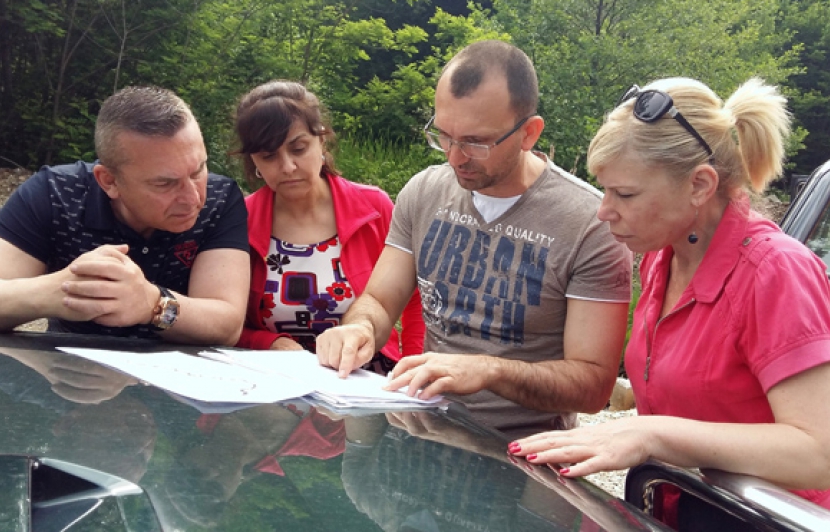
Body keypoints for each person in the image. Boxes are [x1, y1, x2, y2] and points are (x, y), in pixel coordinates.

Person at [509, 77, 830, 513]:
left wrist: (651, 434)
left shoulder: (776, 272)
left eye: (625, 194)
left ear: (699, 185)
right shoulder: (662, 257)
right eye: (604, 190)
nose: (604, 211)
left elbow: (819, 453)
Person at [317, 40, 633, 438]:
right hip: (421, 430)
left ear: (529, 133)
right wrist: (360, 329)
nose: (454, 157)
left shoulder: (591, 223)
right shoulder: (424, 192)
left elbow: (592, 386)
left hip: (519, 452)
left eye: (475, 142)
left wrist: (489, 370)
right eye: (444, 136)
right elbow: (380, 301)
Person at [0, 86, 250, 345]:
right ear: (108, 181)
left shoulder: (220, 198)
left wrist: (152, 304)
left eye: (198, 171)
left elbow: (227, 327)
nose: (193, 198)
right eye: (164, 183)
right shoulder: (55, 194)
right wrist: (58, 293)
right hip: (66, 367)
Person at [231, 80, 424, 373]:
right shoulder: (240, 220)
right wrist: (268, 343)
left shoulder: (373, 208)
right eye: (269, 156)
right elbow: (225, 320)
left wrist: (412, 370)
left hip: (364, 379)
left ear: (321, 140)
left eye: (298, 149)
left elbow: (415, 300)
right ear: (253, 161)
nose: (287, 166)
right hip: (275, 380)